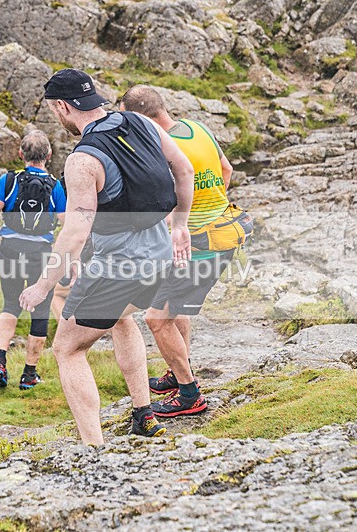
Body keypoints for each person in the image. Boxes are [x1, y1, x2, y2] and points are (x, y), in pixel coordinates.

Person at [19, 69, 194, 445]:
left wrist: (42, 285)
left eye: (55, 111)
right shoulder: (141, 122)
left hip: (119, 266)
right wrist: (180, 224)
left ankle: (93, 449)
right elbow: (184, 168)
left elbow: (75, 232)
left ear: (63, 106)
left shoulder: (82, 160)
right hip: (161, 254)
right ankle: (144, 415)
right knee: (120, 320)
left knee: (67, 347)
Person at [119, 85, 236, 417]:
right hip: (224, 231)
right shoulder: (198, 128)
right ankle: (177, 371)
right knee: (175, 308)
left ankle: (189, 395)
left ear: (141, 119)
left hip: (198, 245)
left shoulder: (160, 148)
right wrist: (208, 207)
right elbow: (226, 170)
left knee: (157, 319)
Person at [0, 130, 66, 390]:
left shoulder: (7, 181)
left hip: (10, 249)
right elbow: (67, 224)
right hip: (41, 254)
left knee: (9, 305)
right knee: (40, 310)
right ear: (48, 156)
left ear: (21, 154)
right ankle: (29, 374)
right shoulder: (55, 185)